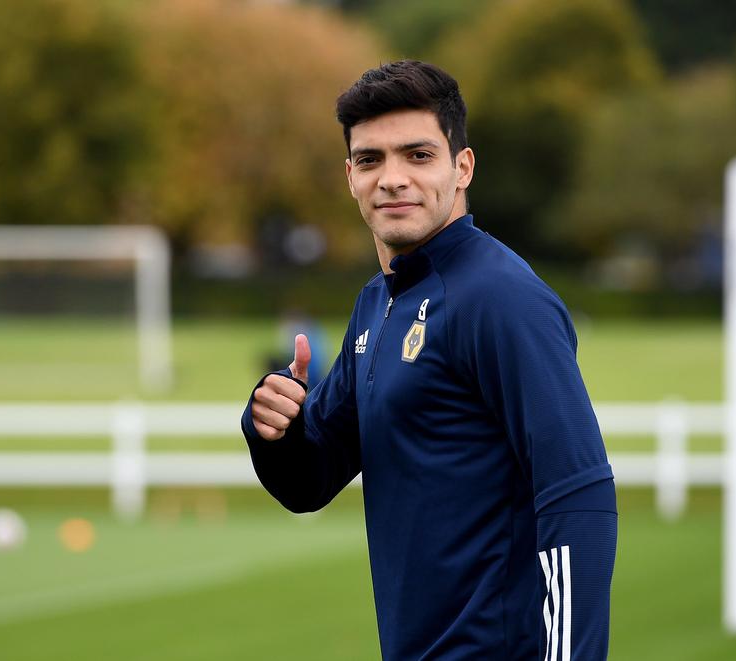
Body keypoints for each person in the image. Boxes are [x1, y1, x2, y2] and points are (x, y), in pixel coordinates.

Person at [240, 60, 616, 660]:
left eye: (418, 155)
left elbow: (577, 493)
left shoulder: (501, 298)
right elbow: (310, 481)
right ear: (350, 177)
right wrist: (273, 426)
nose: (392, 179)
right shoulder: (377, 303)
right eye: (370, 160)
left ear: (462, 167)